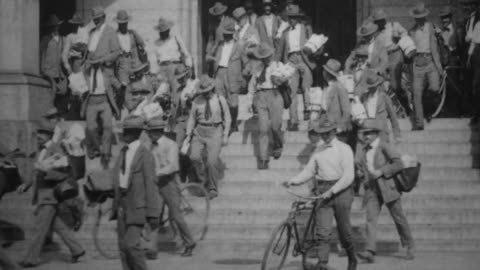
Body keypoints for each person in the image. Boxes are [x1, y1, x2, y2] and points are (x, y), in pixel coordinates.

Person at [282, 116, 357, 270]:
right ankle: (322, 264)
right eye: (323, 133)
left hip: (341, 192)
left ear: (335, 131)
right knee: (322, 232)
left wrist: (332, 191)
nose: (326, 136)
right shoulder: (318, 150)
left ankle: (352, 258)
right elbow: (309, 171)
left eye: (328, 132)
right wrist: (293, 181)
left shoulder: (344, 149)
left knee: (345, 232)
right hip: (323, 191)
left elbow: (349, 176)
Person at [17, 126, 85, 268]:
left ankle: (30, 259)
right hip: (43, 194)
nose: (39, 136)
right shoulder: (41, 150)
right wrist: (26, 185)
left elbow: (63, 173)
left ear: (49, 135)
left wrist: (46, 171)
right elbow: (37, 172)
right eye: (38, 133)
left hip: (50, 196)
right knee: (59, 226)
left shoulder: (56, 149)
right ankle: (77, 250)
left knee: (39, 229)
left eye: (42, 133)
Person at [355, 118, 415, 263]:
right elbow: (362, 167)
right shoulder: (363, 149)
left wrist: (382, 171)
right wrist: (361, 174)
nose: (366, 136)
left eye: (369, 133)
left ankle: (409, 245)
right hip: (372, 189)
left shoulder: (384, 146)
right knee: (371, 219)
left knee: (398, 218)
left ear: (376, 133)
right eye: (364, 133)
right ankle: (369, 251)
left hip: (388, 187)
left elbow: (399, 164)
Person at [110, 116, 161, 270]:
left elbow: (151, 185)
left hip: (137, 206)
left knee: (131, 245)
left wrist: (153, 214)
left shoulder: (145, 155)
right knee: (123, 248)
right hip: (122, 204)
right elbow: (118, 177)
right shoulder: (123, 152)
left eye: (124, 132)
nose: (121, 135)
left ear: (132, 133)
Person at [145, 117, 196, 258]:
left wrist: (156, 173)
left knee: (176, 216)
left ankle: (189, 242)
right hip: (155, 184)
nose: (148, 135)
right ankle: (152, 248)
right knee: (154, 216)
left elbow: (173, 166)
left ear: (156, 132)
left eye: (150, 132)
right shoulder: (151, 145)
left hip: (169, 183)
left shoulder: (170, 144)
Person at [83, 5, 121, 167]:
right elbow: (86, 55)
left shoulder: (111, 32)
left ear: (103, 17)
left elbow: (116, 52)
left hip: (105, 92)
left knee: (107, 125)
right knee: (90, 128)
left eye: (98, 19)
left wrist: (102, 60)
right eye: (94, 19)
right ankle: (97, 148)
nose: (96, 21)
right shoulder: (91, 33)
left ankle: (105, 152)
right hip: (91, 94)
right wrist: (88, 63)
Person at [185, 75, 231, 199]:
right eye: (203, 92)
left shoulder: (220, 100)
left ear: (212, 89)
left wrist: (226, 135)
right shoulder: (196, 101)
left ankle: (212, 188)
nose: (205, 94)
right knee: (194, 157)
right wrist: (188, 134)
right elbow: (192, 118)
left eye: (207, 92)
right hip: (199, 131)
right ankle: (203, 180)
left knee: (211, 162)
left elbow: (227, 118)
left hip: (215, 131)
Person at [276, 4, 314, 130]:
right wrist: (276, 64)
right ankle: (293, 120)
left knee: (306, 86)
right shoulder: (285, 32)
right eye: (289, 18)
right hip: (291, 60)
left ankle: (308, 110)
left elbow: (315, 44)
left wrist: (313, 51)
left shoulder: (305, 28)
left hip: (303, 59)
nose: (291, 20)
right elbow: (279, 51)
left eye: (293, 18)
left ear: (298, 18)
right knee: (291, 90)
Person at [247, 43, 284, 170]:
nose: (266, 59)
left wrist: (281, 79)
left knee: (275, 125)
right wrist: (249, 101)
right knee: (263, 128)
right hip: (261, 96)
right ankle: (263, 158)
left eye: (267, 56)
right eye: (263, 57)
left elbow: (288, 79)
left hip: (275, 94)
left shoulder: (278, 66)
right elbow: (252, 85)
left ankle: (278, 145)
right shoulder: (257, 68)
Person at [371, 8, 413, 116]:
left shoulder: (394, 25)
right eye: (377, 21)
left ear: (384, 19)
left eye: (381, 20)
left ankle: (407, 108)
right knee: (380, 82)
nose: (380, 22)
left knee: (395, 85)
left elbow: (405, 34)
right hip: (383, 57)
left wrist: (399, 35)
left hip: (395, 54)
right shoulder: (375, 33)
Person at [408, 2, 443, 130]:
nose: (420, 19)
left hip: (431, 62)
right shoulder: (411, 31)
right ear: (415, 17)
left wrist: (440, 67)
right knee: (416, 94)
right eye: (418, 17)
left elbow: (441, 41)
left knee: (434, 88)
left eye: (422, 16)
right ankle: (419, 123)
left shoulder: (432, 26)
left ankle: (428, 111)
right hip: (418, 63)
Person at [212, 19, 246, 134]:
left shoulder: (239, 46)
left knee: (233, 102)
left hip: (232, 74)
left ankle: (234, 121)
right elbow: (211, 56)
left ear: (232, 34)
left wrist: (244, 75)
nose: (225, 36)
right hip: (219, 73)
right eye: (224, 34)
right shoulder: (220, 44)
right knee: (220, 99)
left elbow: (246, 63)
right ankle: (223, 123)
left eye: (228, 34)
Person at [151, 17, 193, 94]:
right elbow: (154, 61)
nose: (163, 33)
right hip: (162, 70)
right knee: (162, 93)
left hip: (176, 69)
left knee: (177, 92)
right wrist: (154, 74)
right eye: (161, 32)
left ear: (169, 30)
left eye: (165, 31)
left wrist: (189, 66)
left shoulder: (176, 39)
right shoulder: (156, 44)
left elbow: (186, 54)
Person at [345, 21, 388, 93]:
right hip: (362, 72)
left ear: (373, 34)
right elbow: (351, 57)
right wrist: (347, 67)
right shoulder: (360, 44)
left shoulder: (379, 44)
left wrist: (377, 70)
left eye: (368, 35)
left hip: (374, 74)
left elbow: (384, 61)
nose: (365, 37)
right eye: (364, 35)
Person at [115, 9, 146, 109]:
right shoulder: (115, 35)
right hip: (122, 63)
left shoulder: (132, 33)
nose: (123, 25)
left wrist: (140, 50)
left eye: (124, 23)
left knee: (136, 86)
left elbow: (142, 43)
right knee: (123, 87)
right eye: (121, 24)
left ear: (127, 23)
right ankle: (125, 110)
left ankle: (136, 109)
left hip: (134, 62)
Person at [43, 108, 86, 181]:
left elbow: (81, 142)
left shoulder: (73, 126)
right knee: (45, 165)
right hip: (67, 154)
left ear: (58, 117)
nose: (50, 121)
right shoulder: (58, 127)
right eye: (49, 119)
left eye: (52, 118)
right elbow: (54, 143)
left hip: (76, 156)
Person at [360, 70, 401, 143]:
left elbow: (393, 116)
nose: (372, 88)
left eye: (373, 86)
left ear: (377, 85)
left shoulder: (384, 97)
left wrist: (397, 134)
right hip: (368, 131)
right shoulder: (364, 97)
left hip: (382, 131)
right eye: (370, 87)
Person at [40, 14, 68, 113]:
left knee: (63, 89)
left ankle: (58, 111)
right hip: (49, 70)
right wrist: (42, 69)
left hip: (59, 71)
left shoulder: (62, 39)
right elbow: (42, 54)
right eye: (53, 26)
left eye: (57, 25)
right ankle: (50, 109)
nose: (55, 28)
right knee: (51, 89)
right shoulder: (45, 39)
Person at [320, 59, 352, 141]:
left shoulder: (339, 87)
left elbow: (346, 109)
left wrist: (341, 126)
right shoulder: (326, 87)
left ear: (327, 73)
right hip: (327, 126)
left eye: (324, 71)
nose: (323, 72)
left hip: (337, 128)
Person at [206, 2, 230, 75]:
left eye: (220, 14)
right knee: (215, 68)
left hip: (227, 47)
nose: (218, 16)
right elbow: (210, 39)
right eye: (216, 14)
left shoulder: (229, 21)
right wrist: (208, 52)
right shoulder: (213, 24)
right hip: (217, 48)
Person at [465, 2, 480, 123]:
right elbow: (473, 42)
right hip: (478, 54)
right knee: (476, 85)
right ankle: (477, 113)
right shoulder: (478, 24)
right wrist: (469, 56)